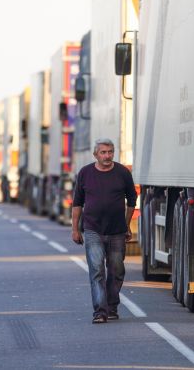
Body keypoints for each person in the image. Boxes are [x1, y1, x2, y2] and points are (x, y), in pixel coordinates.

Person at [72, 138, 137, 324]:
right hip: (92, 230)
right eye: (103, 152)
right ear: (95, 155)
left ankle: (112, 306)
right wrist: (75, 229)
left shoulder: (123, 173)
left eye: (110, 152)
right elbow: (77, 203)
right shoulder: (85, 173)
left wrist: (126, 225)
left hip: (117, 231)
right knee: (97, 270)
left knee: (116, 270)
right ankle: (100, 311)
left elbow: (132, 200)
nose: (107, 156)